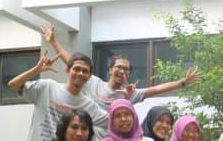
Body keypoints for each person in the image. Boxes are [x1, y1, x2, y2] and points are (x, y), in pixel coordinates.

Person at [8, 49, 108, 141]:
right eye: (76, 69)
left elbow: (115, 122)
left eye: (85, 71)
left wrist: (137, 136)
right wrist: (36, 70)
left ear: (89, 76)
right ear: (67, 71)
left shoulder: (89, 105)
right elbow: (13, 85)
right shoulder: (48, 87)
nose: (80, 73)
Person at [41, 24, 201, 110]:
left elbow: (158, 89)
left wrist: (183, 82)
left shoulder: (131, 93)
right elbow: (72, 61)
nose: (122, 71)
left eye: (126, 69)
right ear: (110, 70)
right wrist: (54, 42)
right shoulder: (94, 83)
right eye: (118, 67)